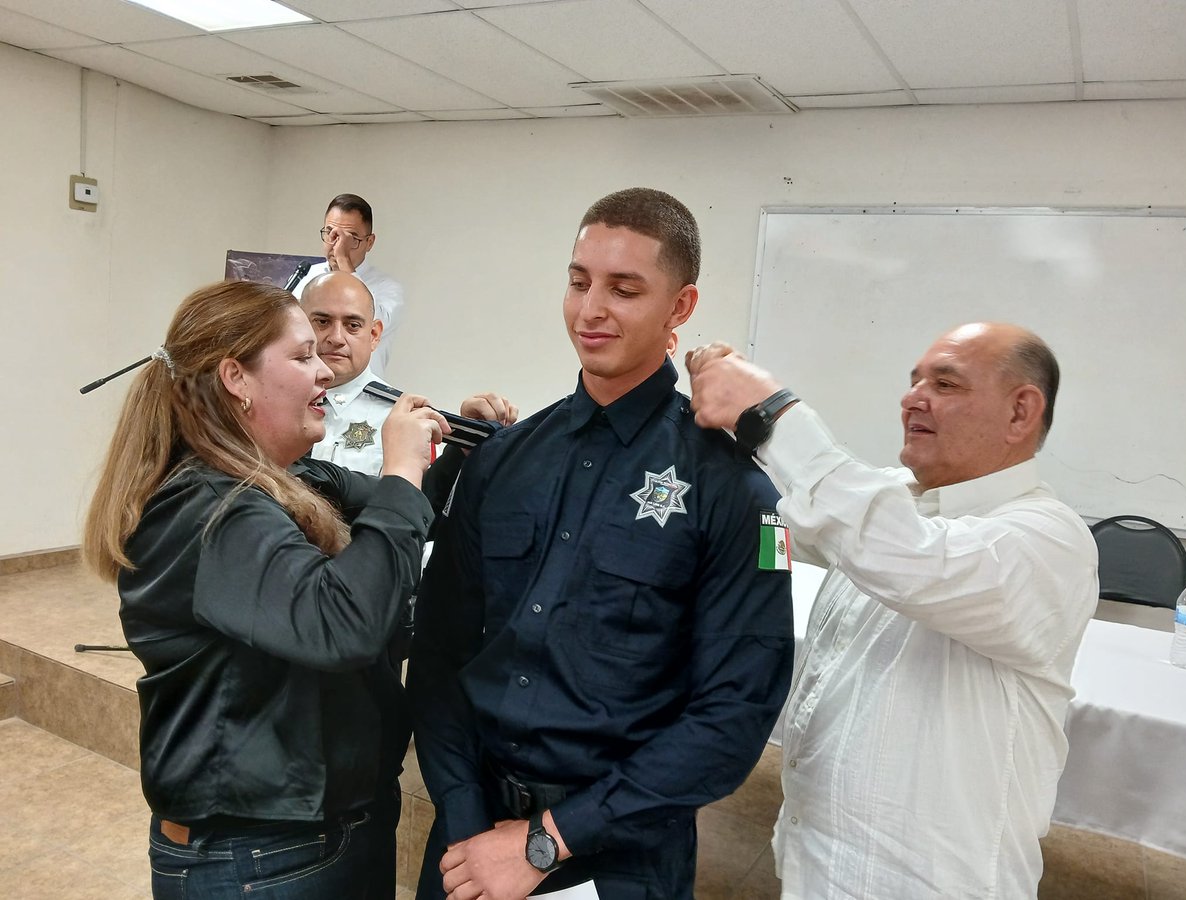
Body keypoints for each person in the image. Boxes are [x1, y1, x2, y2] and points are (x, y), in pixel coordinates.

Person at [407, 188, 794, 900]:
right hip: (471, 840)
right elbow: (439, 652)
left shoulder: (732, 487)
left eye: (624, 289)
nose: (590, 310)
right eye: (579, 281)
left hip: (616, 852)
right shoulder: (505, 459)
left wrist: (544, 843)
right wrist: (466, 820)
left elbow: (733, 713)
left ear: (680, 307)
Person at [686, 322, 1099, 899]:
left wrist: (768, 413)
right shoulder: (894, 504)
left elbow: (903, 557)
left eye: (946, 384)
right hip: (816, 865)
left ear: (1020, 412)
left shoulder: (1049, 539)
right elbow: (782, 531)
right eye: (914, 383)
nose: (913, 398)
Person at [83, 280, 450, 899]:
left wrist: (459, 450)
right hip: (260, 858)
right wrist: (402, 470)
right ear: (237, 377)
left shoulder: (289, 479)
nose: (324, 372)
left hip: (314, 834)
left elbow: (411, 513)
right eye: (303, 355)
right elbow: (343, 623)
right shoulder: (209, 509)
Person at [299, 271, 518, 476]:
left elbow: (423, 505)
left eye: (353, 325)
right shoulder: (270, 407)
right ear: (298, 326)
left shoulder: (404, 418)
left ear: (374, 335)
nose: (336, 338)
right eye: (322, 322)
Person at [292, 193, 404, 373]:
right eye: (331, 233)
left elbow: (375, 318)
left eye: (351, 238)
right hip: (308, 388)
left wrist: (344, 262)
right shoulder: (307, 275)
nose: (337, 245)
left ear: (369, 242)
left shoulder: (387, 288)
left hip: (361, 395)